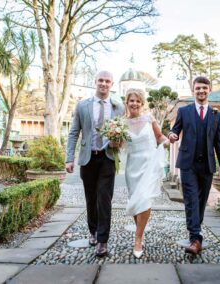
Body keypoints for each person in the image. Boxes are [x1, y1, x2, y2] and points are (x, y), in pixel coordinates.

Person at [65, 70, 125, 257]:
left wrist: (118, 141)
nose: (104, 84)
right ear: (95, 82)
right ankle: (93, 231)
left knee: (104, 199)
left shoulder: (118, 107)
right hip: (87, 158)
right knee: (91, 198)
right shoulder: (82, 106)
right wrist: (69, 158)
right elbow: (74, 132)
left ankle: (102, 241)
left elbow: (123, 132)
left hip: (107, 157)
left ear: (112, 84)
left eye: (107, 81)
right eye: (101, 80)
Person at [168, 76, 220, 254]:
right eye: (198, 88)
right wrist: (172, 135)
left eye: (204, 88)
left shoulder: (217, 115)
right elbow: (175, 130)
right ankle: (195, 238)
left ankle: (196, 229)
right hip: (188, 164)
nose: (201, 91)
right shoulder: (184, 111)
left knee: (201, 202)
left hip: (207, 165)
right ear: (193, 90)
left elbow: (219, 141)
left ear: (209, 90)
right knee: (191, 199)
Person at [123, 88, 170, 258]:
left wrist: (166, 141)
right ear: (127, 103)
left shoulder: (150, 119)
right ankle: (140, 233)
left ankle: (138, 238)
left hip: (148, 164)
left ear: (142, 103)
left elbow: (160, 137)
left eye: (137, 101)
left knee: (145, 199)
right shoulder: (121, 123)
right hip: (132, 166)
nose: (134, 103)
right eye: (131, 100)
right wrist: (113, 138)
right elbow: (117, 145)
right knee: (136, 201)